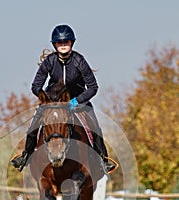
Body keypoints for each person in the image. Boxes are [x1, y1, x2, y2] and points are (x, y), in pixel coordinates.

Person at [11, 24, 116, 173]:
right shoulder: (50, 61)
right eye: (60, 43)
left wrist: (75, 102)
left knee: (95, 127)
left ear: (71, 43)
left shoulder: (79, 60)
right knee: (33, 126)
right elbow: (36, 86)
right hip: (52, 103)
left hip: (77, 101)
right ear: (55, 44)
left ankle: (102, 160)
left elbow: (93, 87)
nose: (63, 45)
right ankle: (25, 155)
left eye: (66, 42)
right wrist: (46, 100)